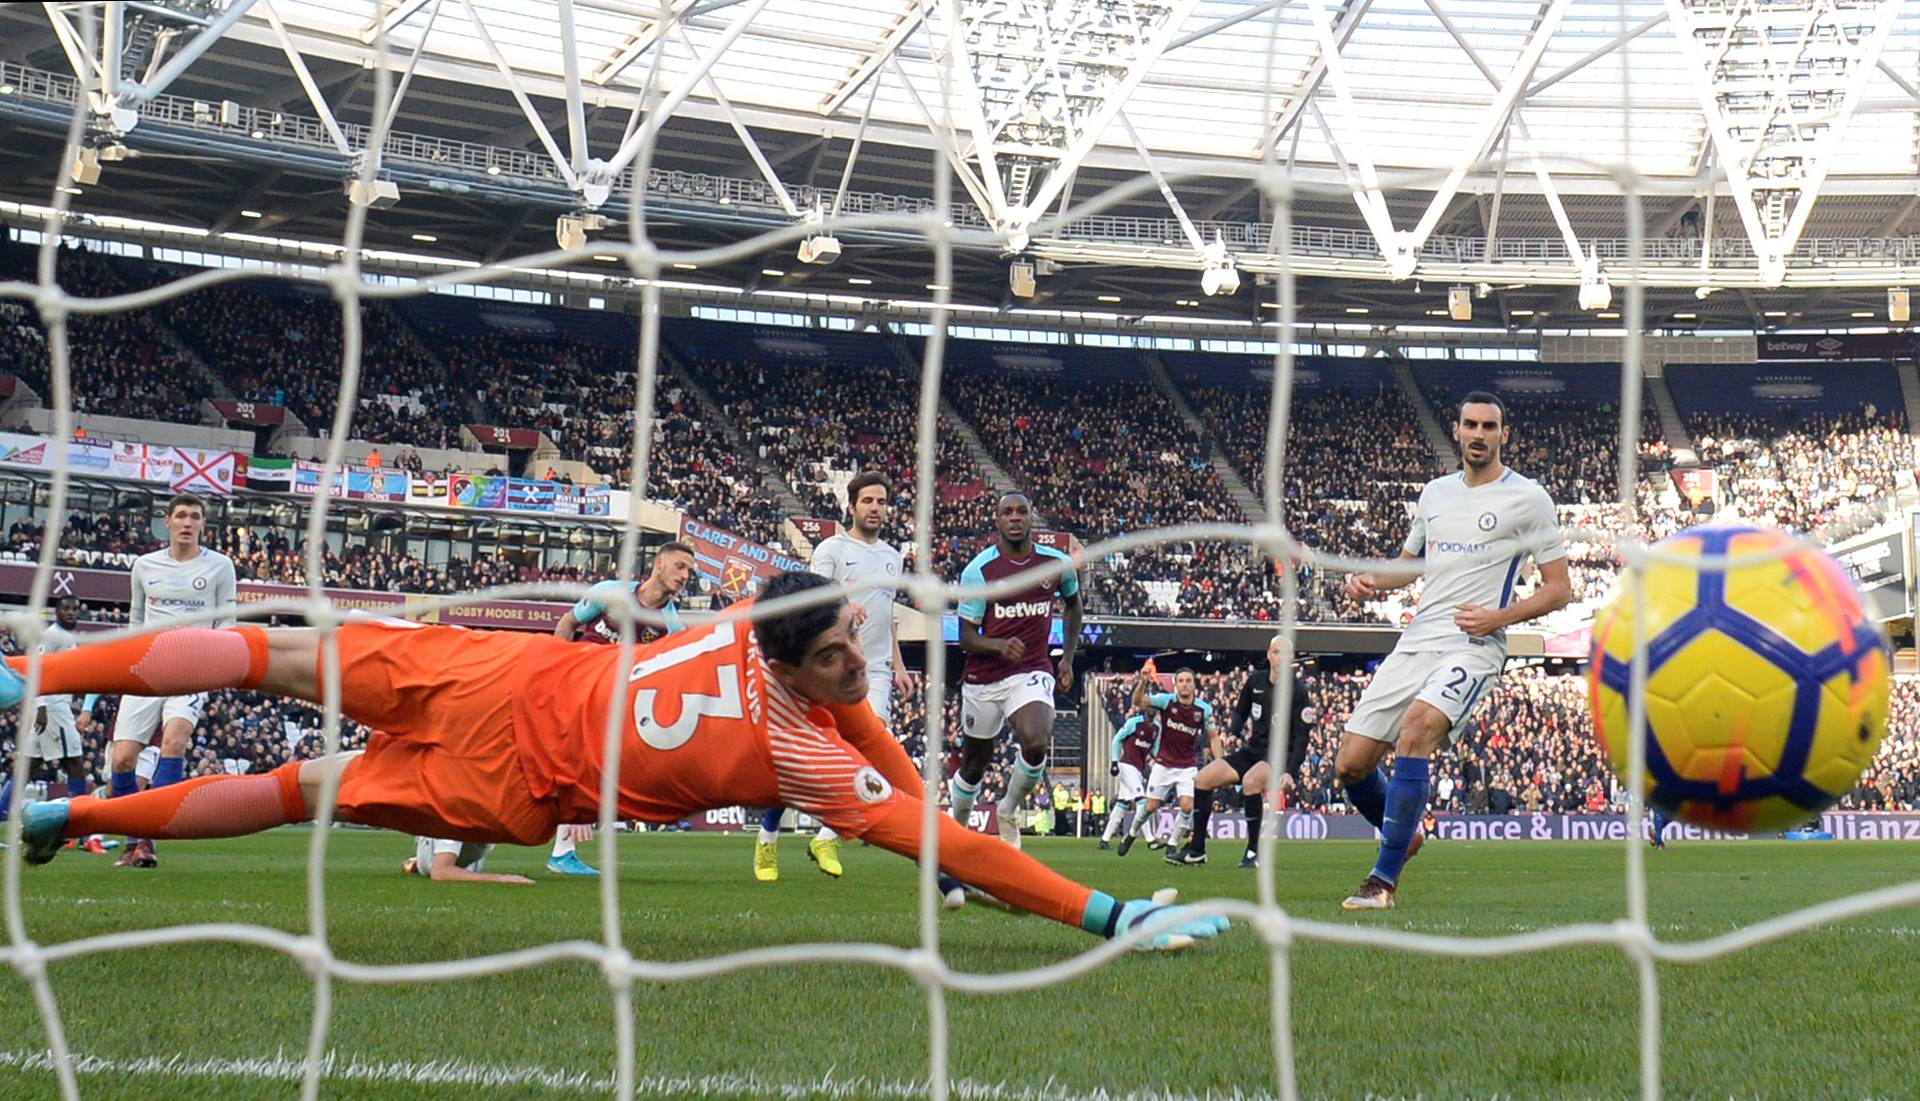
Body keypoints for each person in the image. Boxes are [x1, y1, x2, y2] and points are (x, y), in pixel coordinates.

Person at [8, 571, 1225, 951]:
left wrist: (943, 857)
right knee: (281, 688)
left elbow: (908, 798)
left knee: (293, 782)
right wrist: (1102, 909)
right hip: (512, 740)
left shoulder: (755, 624)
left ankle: (61, 794)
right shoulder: (798, 747)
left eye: (862, 640)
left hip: (509, 698)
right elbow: (918, 816)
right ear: (796, 663)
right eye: (845, 651)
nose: (864, 659)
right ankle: (33, 681)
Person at [1334, 391, 1570, 910]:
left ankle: (1382, 881)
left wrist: (1497, 618)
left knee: (1415, 730)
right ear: (1457, 431)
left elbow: (1559, 589)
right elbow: (1408, 565)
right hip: (1418, 638)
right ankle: (1404, 834)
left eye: (1490, 426)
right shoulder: (1435, 494)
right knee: (1350, 765)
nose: (1479, 434)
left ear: (1504, 435)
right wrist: (1373, 582)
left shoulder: (1529, 499)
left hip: (1474, 643)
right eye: (1471, 425)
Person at [754, 472, 913, 884]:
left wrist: (897, 664)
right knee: (802, 753)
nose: (875, 508)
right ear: (852, 506)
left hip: (871, 668)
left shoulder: (893, 557)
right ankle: (768, 837)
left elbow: (888, 615)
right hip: (825, 665)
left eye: (881, 501)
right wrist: (841, 609)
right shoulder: (832, 549)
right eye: (868, 501)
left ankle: (827, 837)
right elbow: (811, 598)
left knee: (871, 749)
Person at [545, 542, 696, 876]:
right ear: (658, 564)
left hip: (611, 700)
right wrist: (555, 668)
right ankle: (567, 830)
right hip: (577, 686)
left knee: (600, 766)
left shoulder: (671, 627)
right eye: (680, 567)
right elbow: (569, 623)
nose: (685, 576)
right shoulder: (610, 593)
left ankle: (566, 841)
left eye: (689, 571)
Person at [110, 493, 237, 869]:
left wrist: (218, 665)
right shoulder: (144, 565)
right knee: (122, 760)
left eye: (194, 517)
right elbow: (135, 621)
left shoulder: (220, 566)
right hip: (146, 668)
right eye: (181, 515)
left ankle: (149, 840)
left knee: (175, 740)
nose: (187, 522)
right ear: (167, 521)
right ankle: (133, 839)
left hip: (192, 669)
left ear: (202, 524)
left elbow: (227, 624)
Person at [949, 494, 1081, 850]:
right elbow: (965, 637)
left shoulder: (1055, 564)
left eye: (1022, 510)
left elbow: (1073, 605)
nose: (1015, 517)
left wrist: (1067, 658)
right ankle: (955, 836)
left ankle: (1006, 810)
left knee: (1036, 741)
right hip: (983, 678)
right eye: (1007, 512)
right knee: (974, 768)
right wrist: (997, 645)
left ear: (1031, 517)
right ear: (997, 520)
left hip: (1032, 669)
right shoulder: (980, 571)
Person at [1168, 634, 1313, 870]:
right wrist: (1232, 732)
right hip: (1252, 751)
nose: (1279, 657)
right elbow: (1240, 711)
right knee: (1202, 780)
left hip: (1278, 757)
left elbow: (1302, 737)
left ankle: (1254, 851)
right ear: (1268, 655)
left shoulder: (1298, 691)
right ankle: (1197, 850)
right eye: (1276, 652)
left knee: (1250, 782)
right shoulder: (1255, 681)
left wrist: (1291, 771)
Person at [0, 597, 91, 817]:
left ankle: (2, 812)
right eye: (66, 609)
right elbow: (35, 668)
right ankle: (79, 820)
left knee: (28, 765)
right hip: (51, 706)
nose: (70, 613)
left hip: (52, 705)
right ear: (56, 612)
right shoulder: (51, 635)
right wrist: (41, 706)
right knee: (74, 762)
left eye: (74, 609)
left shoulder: (66, 636)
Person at [1122, 665, 1215, 857]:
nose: (1184, 685)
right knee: (1150, 807)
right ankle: (1131, 834)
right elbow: (1138, 701)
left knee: (1188, 806)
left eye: (1188, 681)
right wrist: (1143, 681)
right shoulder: (1166, 702)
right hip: (1164, 764)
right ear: (1175, 685)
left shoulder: (1204, 710)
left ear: (1194, 685)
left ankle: (1172, 844)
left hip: (1187, 766)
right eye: (1180, 681)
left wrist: (1221, 762)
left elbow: (1213, 737)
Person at [1102, 705, 1155, 851]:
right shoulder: (1134, 723)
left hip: (1138, 769)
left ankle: (1104, 839)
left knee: (1122, 804)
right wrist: (1114, 762)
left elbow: (1155, 750)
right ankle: (1150, 839)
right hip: (1127, 766)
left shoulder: (1156, 729)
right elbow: (1117, 739)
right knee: (1141, 800)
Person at [401, 837, 533, 885]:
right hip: (430, 856)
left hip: (470, 857)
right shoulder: (457, 812)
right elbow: (440, 872)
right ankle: (419, 862)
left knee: (469, 870)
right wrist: (502, 879)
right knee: (435, 867)